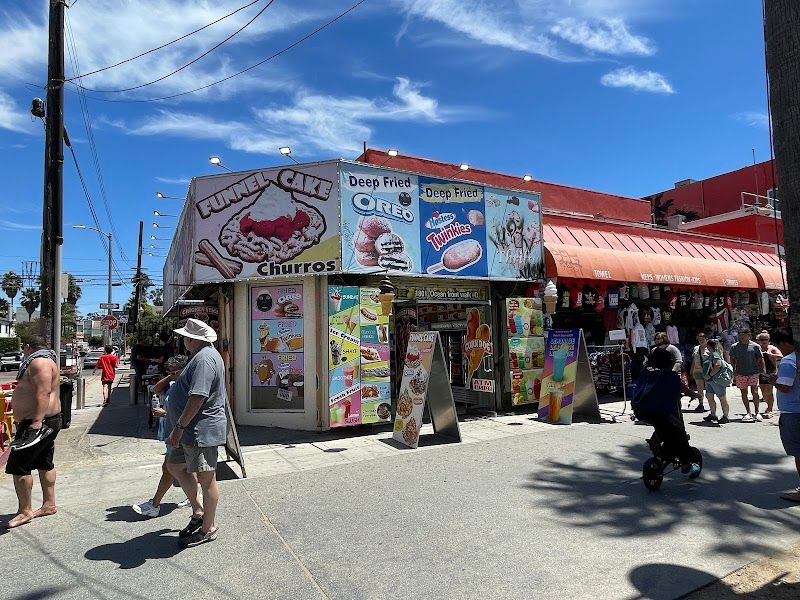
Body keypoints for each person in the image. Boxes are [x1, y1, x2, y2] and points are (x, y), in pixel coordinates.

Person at [165, 318, 227, 548]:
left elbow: (198, 396)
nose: (183, 340)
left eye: (184, 336)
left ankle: (208, 527)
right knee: (175, 466)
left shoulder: (203, 359)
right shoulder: (200, 357)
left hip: (199, 430)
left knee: (206, 478)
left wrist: (179, 428)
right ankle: (199, 511)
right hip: (190, 431)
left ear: (192, 338)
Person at [2, 336, 61, 528]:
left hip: (37, 423)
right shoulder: (47, 359)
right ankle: (49, 504)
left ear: (28, 347)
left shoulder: (39, 362)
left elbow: (43, 393)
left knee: (18, 465)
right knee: (44, 462)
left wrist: (35, 423)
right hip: (44, 421)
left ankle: (25, 511)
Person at [132, 355, 194, 517]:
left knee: (168, 469)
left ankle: (155, 504)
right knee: (187, 470)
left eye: (174, 372)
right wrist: (170, 376)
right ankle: (194, 498)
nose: (171, 374)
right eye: (169, 372)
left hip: (179, 434)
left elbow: (186, 412)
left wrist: (164, 413)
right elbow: (156, 389)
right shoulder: (174, 384)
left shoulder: (186, 387)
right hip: (171, 433)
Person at [632, 347, 700, 477]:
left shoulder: (645, 372)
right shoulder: (670, 375)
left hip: (641, 410)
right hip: (661, 412)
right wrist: (695, 395)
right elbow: (684, 389)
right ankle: (686, 464)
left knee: (661, 427)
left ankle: (657, 446)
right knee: (679, 432)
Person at [770, 328, 800, 502]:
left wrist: (774, 380)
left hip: (792, 412)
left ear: (782, 343)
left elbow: (785, 387)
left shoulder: (789, 362)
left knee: (798, 453)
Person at [652, 332, 700, 408]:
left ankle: (690, 395)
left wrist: (673, 371)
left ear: (664, 338)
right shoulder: (654, 350)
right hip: (658, 375)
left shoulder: (672, 348)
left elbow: (678, 361)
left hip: (671, 373)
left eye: (658, 339)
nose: (656, 340)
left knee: (674, 393)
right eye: (655, 339)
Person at [730, 328, 765, 422]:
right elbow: (732, 358)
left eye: (743, 334)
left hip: (754, 372)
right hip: (741, 373)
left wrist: (762, 371)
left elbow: (760, 358)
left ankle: (757, 412)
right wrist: (734, 370)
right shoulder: (734, 346)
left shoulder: (755, 346)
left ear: (748, 335)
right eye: (740, 334)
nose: (741, 336)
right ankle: (748, 412)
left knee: (755, 392)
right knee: (744, 393)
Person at [702, 339, 731, 425]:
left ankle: (725, 416)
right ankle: (713, 414)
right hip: (711, 380)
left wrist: (710, 375)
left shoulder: (715, 354)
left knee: (722, 398)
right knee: (709, 396)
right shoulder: (715, 354)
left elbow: (718, 364)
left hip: (716, 380)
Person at [756, 330, 782, 419]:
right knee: (763, 390)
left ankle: (770, 409)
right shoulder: (757, 348)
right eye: (761, 339)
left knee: (769, 391)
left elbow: (780, 356)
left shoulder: (772, 348)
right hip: (760, 371)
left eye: (765, 339)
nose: (763, 341)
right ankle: (768, 406)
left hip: (770, 370)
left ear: (768, 340)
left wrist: (770, 354)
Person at [690, 332, 711, 412]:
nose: (701, 341)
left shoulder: (710, 348)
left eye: (702, 339)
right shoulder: (696, 348)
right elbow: (694, 360)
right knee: (699, 388)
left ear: (706, 339)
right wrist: (691, 370)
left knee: (709, 389)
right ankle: (701, 403)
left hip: (707, 371)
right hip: (697, 370)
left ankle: (711, 404)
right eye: (699, 340)